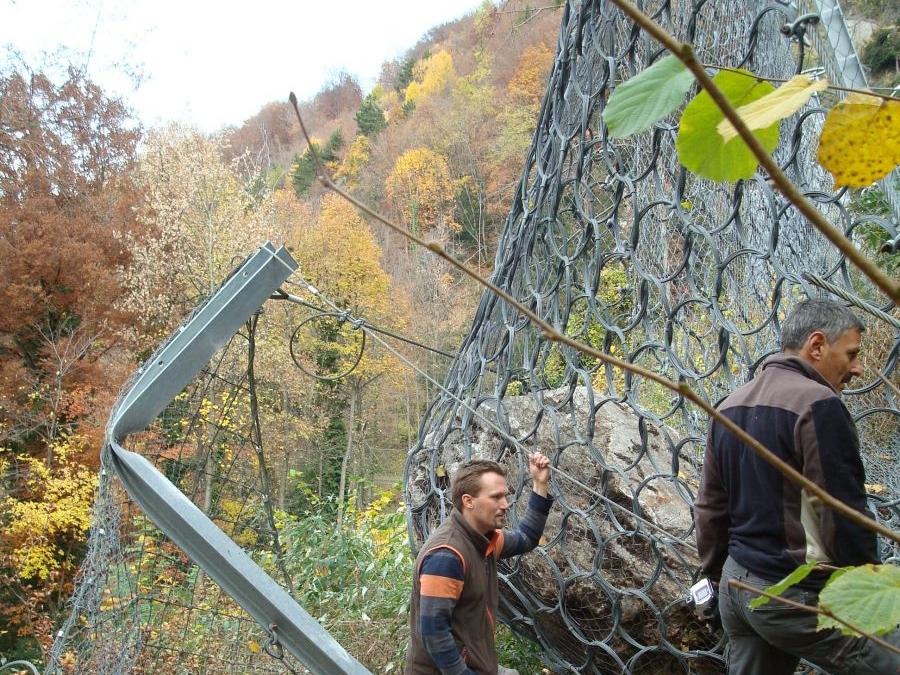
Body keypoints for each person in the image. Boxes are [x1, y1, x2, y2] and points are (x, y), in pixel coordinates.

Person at [695, 298, 899, 674]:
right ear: (817, 346)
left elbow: (710, 508)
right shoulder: (819, 405)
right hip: (790, 597)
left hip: (737, 590)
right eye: (851, 353)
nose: (858, 368)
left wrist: (710, 575)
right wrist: (873, 591)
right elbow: (842, 513)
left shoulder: (727, 406)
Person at [405, 453, 552, 675]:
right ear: (468, 501)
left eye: (505, 496)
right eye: (496, 497)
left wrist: (540, 484)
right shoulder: (447, 555)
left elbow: (526, 538)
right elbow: (434, 634)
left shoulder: (483, 540)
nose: (506, 504)